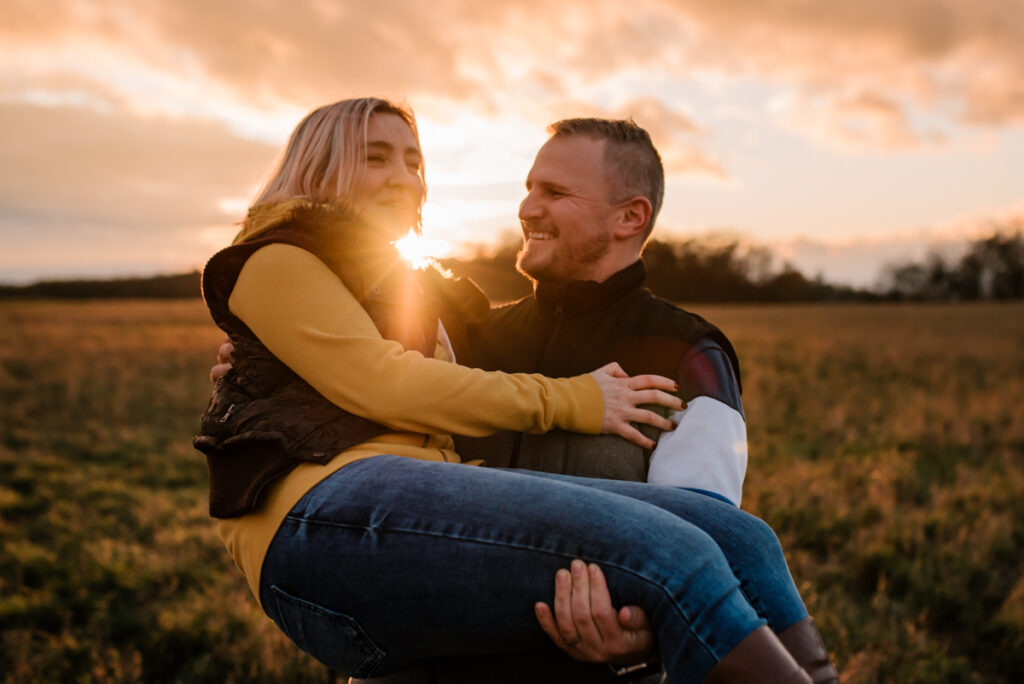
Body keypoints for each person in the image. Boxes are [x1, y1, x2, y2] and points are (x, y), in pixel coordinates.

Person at [194, 96, 824, 683]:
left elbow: (704, 508)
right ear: (319, 167)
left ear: (631, 217)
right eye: (377, 157)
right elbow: (385, 375)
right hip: (356, 536)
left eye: (553, 192)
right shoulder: (470, 330)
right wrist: (259, 356)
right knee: (678, 550)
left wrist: (643, 631)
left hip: (567, 643)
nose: (526, 208)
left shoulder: (686, 351)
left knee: (741, 537)